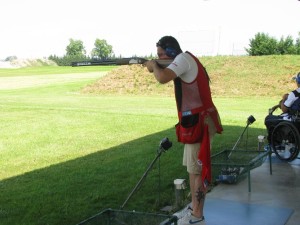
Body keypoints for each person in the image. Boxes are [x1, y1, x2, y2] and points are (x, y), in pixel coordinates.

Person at [144, 36, 223, 225]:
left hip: (200, 122)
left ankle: (197, 216)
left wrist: (154, 66)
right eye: (158, 55)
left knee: (198, 170)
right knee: (192, 169)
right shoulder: (183, 60)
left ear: (171, 51)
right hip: (194, 121)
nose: (160, 57)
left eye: (162, 54)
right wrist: (155, 65)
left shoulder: (182, 59)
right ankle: (193, 208)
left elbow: (162, 78)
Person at [265, 72, 300, 140]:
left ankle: (274, 142)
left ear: (298, 82)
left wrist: (284, 98)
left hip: (294, 120)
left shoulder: (294, 94)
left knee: (268, 119)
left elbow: (284, 109)